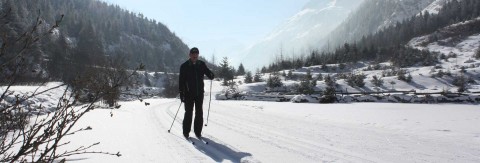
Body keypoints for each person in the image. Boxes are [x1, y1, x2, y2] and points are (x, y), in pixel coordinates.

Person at [179, 47, 214, 139]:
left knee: (199, 113)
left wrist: (211, 75)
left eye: (196, 54)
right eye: (193, 54)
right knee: (188, 113)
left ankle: (198, 132)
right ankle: (186, 132)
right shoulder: (184, 66)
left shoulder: (201, 64)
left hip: (199, 93)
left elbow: (208, 72)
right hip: (188, 94)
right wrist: (181, 93)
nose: (195, 56)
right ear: (189, 55)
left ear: (198, 55)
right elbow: (181, 81)